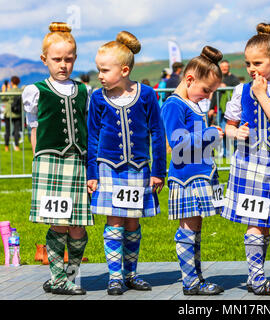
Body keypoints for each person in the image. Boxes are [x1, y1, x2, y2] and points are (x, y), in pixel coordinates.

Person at [221, 23, 270, 296]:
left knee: (264, 223)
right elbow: (227, 126)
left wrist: (263, 95)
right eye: (247, 63)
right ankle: (257, 279)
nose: (252, 69)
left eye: (258, 63)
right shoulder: (240, 91)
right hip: (247, 163)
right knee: (255, 218)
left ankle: (258, 275)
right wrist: (234, 131)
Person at [87, 31, 166, 296]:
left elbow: (157, 132)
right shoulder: (98, 98)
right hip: (109, 169)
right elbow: (93, 136)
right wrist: (92, 172)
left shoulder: (146, 95)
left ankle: (131, 273)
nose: (99, 75)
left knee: (132, 222)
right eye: (98, 69)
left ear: (123, 70)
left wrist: (158, 171)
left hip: (139, 169)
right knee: (115, 221)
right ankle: (115, 276)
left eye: (104, 70)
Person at [23, 22, 93, 295]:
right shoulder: (36, 91)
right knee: (58, 221)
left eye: (68, 59)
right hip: (50, 162)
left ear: (75, 58)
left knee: (78, 226)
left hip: (77, 163)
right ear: (44, 60)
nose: (63, 64)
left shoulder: (84, 91)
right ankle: (59, 279)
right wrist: (36, 163)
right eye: (57, 59)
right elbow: (34, 130)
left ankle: (70, 277)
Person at [161, 46, 225, 296]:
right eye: (206, 90)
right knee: (188, 228)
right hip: (185, 177)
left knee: (196, 227)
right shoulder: (173, 105)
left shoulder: (193, 103)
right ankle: (190, 282)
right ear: (189, 79)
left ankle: (196, 277)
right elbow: (177, 144)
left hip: (201, 173)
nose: (207, 95)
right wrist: (209, 134)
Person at [208, 60, 241, 155]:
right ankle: (225, 153)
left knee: (233, 131)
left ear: (229, 67)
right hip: (220, 109)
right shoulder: (218, 78)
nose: (224, 69)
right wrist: (211, 108)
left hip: (232, 110)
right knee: (222, 131)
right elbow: (214, 94)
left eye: (225, 67)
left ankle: (235, 151)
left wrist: (226, 86)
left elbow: (238, 91)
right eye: (222, 67)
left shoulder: (234, 79)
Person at [2, 76, 22, 152]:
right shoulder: (20, 91)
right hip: (17, 114)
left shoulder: (9, 92)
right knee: (16, 131)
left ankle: (6, 147)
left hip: (8, 113)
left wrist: (4, 90)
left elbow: (3, 99)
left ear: (11, 82)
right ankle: (17, 146)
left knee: (7, 131)